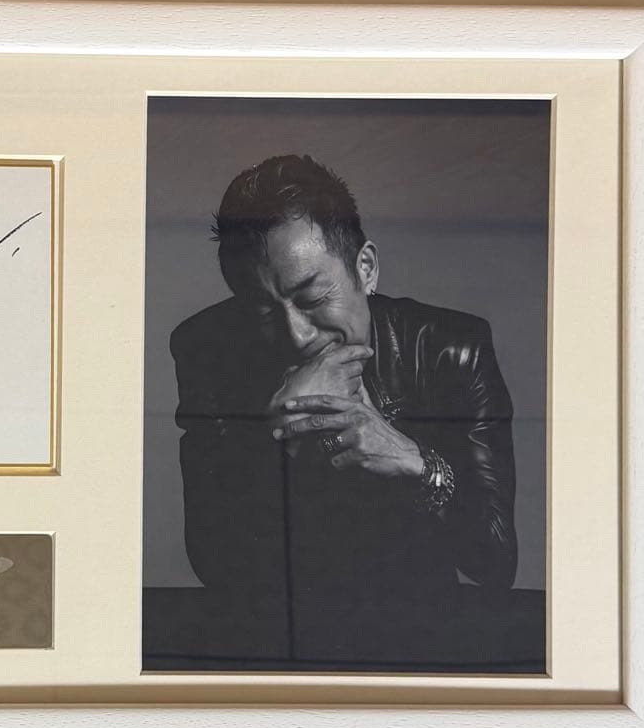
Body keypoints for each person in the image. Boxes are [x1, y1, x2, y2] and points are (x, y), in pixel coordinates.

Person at [170, 153, 517, 666]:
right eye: (260, 310)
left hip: (421, 640)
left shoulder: (451, 348)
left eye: (312, 298)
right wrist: (273, 437)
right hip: (273, 643)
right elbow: (213, 561)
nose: (296, 336)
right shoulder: (207, 349)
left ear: (366, 268)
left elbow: (495, 562)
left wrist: (415, 463)